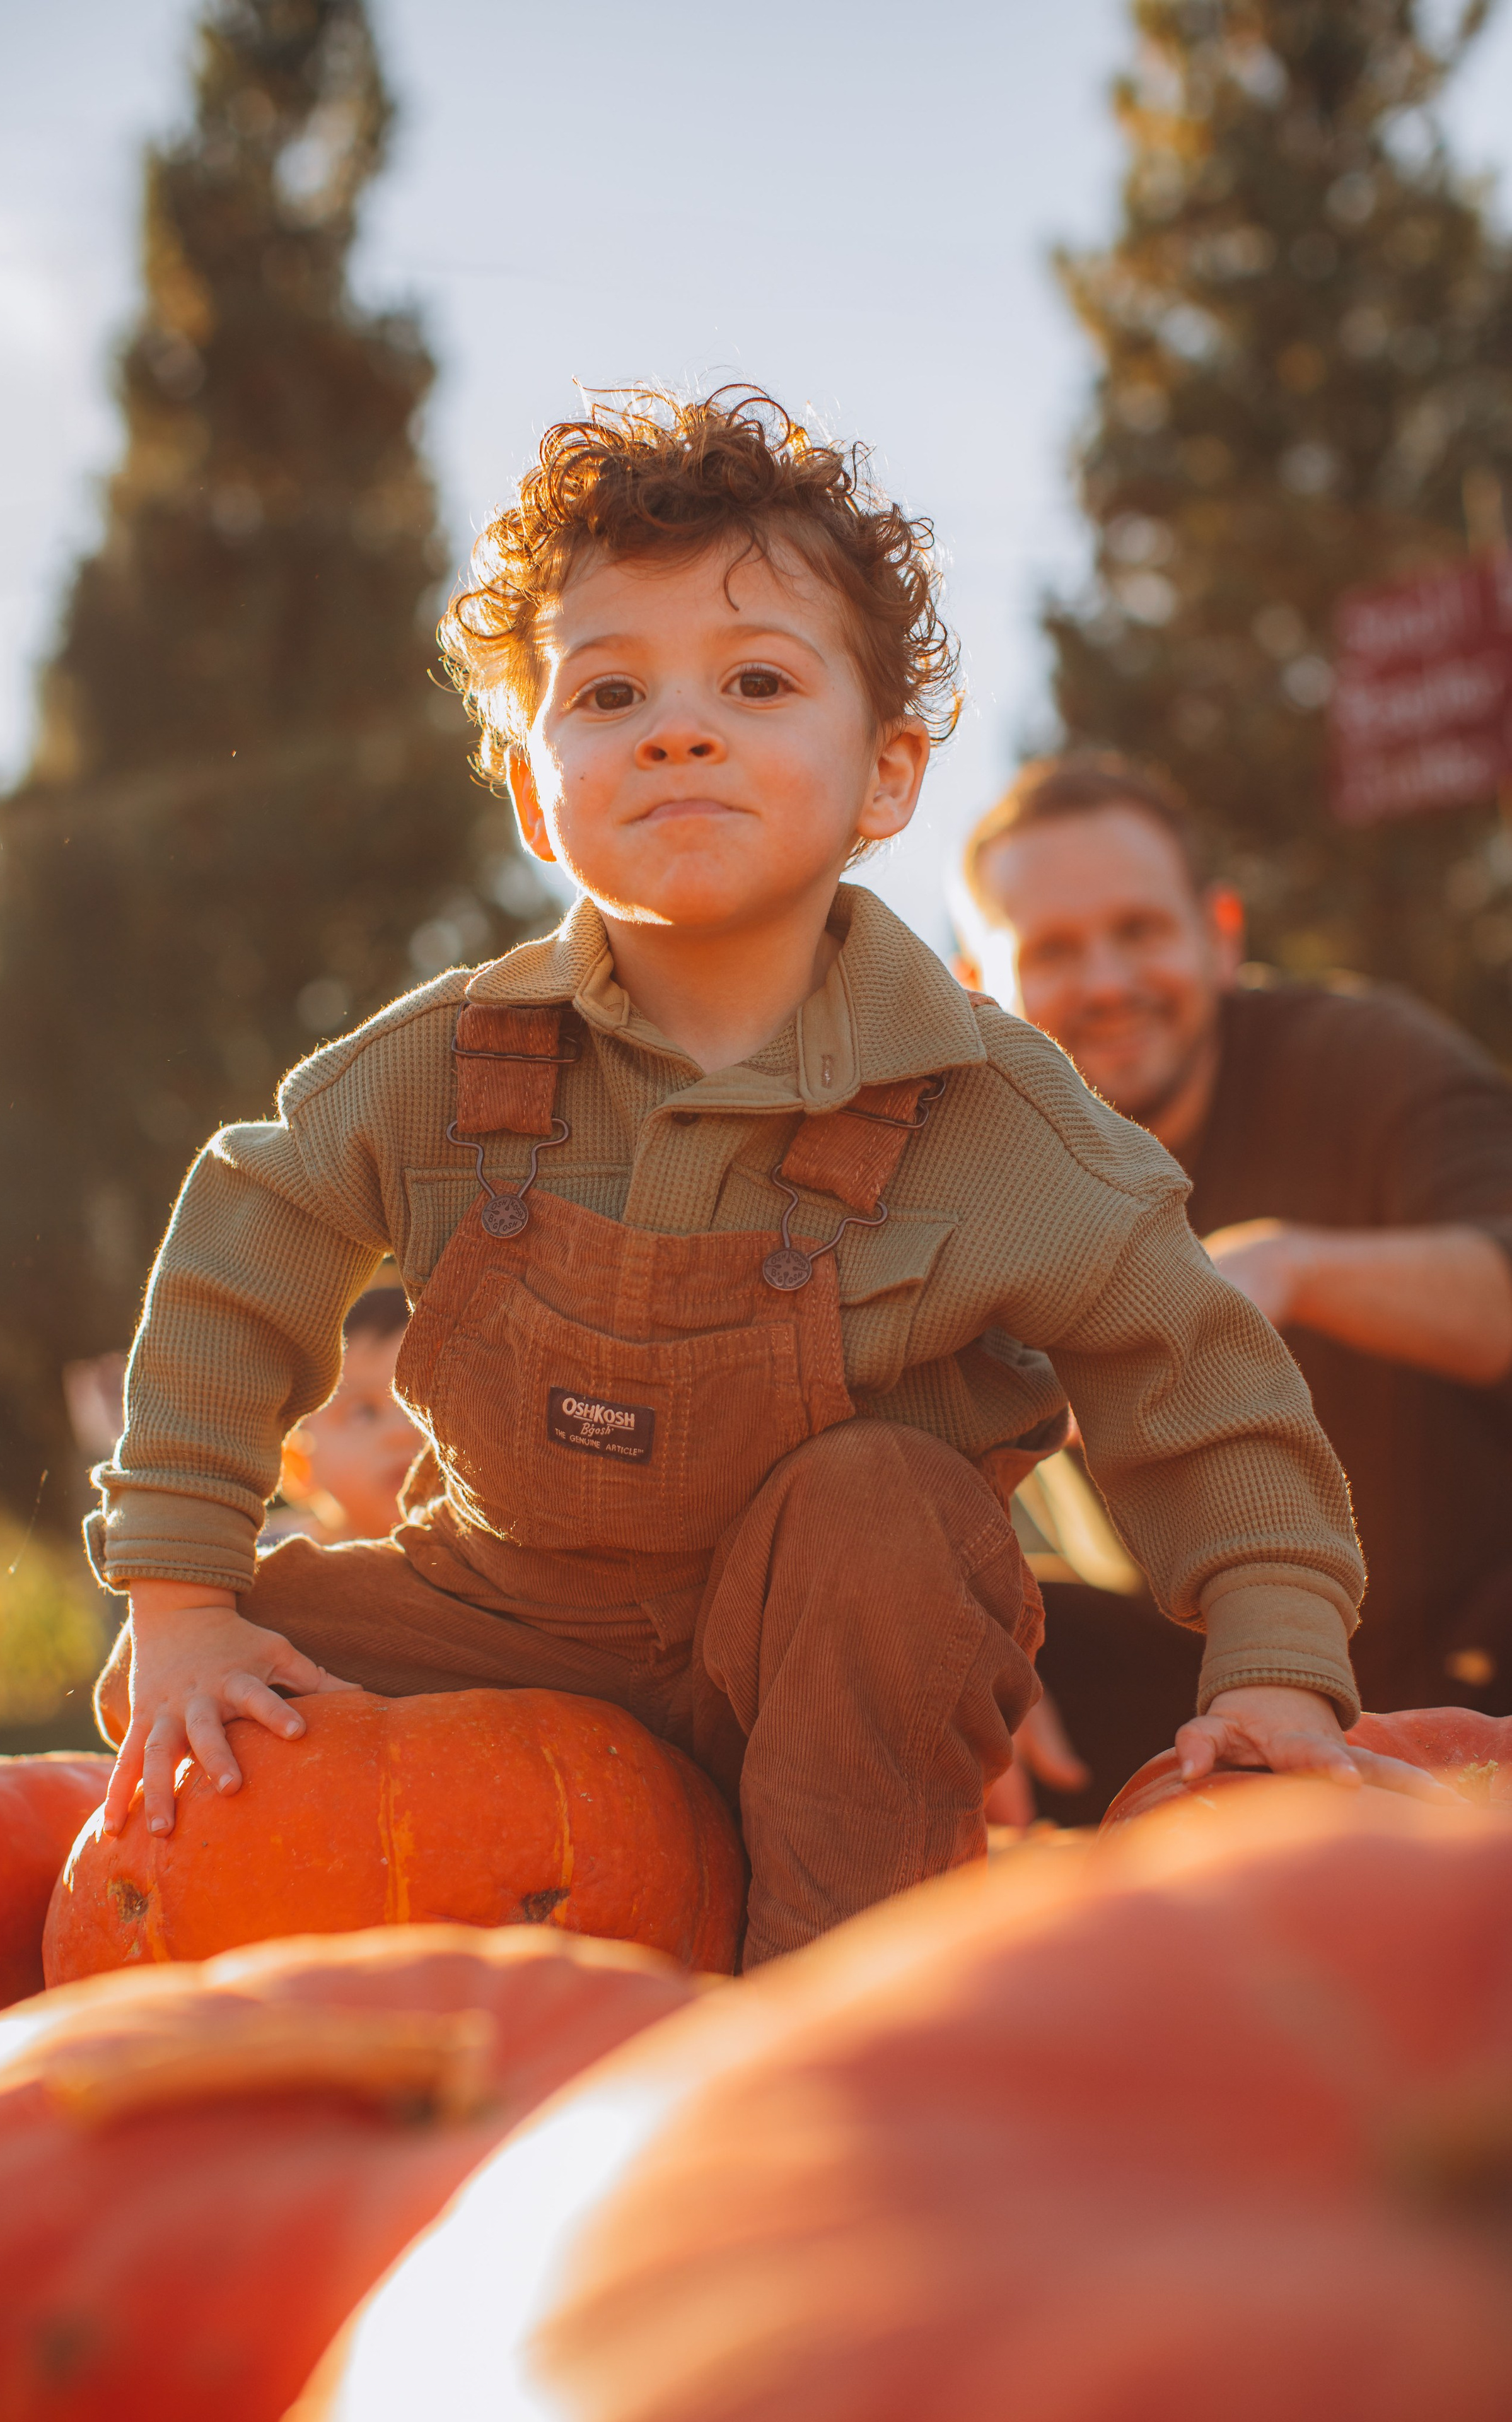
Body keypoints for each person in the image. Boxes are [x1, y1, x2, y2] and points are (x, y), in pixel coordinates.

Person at [86, 389, 1427, 1973]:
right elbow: (255, 1234)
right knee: (243, 1665)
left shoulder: (989, 1115)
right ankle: (298, 1988)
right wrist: (180, 1600)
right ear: (534, 791)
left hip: (833, 1651)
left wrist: (1272, 1661)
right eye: (607, 693)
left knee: (888, 1505)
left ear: (883, 777)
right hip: (508, 1612)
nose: (678, 725)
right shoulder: (454, 1063)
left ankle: (822, 2012)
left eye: (755, 680)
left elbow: (1189, 1377)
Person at [961, 751, 1512, 1815]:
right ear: (981, 990)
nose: (1110, 983)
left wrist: (1287, 1268)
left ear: (1220, 936)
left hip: (1471, 1623)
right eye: (1056, 951)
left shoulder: (1366, 1059)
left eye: (1141, 931)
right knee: (934, 1640)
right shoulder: (958, 1179)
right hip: (1210, 1696)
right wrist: (956, 1622)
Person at [269, 1282, 419, 1544]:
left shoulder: (506, 1568)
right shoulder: (265, 1566)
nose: (404, 1432)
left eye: (428, 1407)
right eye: (364, 1413)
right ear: (299, 1466)